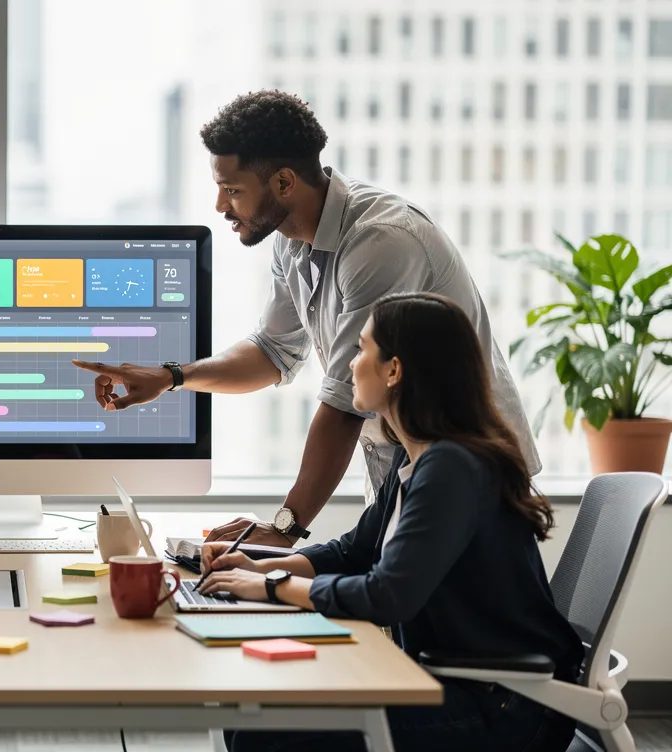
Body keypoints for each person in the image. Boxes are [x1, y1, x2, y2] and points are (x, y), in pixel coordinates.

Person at [72, 90, 537, 547]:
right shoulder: (291, 239)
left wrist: (283, 529)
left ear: (284, 183)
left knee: (431, 618)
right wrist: (172, 376)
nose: (219, 207)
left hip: (470, 476)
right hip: (406, 472)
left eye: (232, 190)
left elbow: (343, 406)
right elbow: (273, 353)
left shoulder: (380, 243)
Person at [198, 293, 581, 752]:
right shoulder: (417, 456)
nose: (350, 364)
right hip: (459, 683)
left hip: (502, 707)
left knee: (266, 734)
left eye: (361, 349)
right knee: (253, 715)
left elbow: (387, 596)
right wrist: (258, 565)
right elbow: (351, 552)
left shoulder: (452, 466)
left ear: (394, 370)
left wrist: (272, 586)